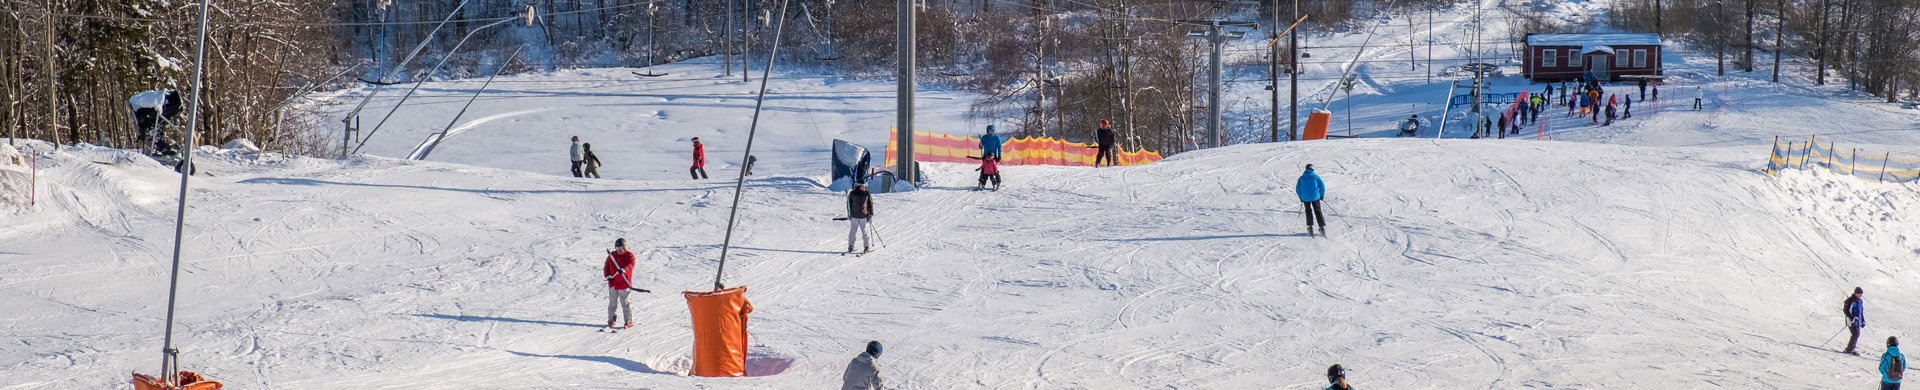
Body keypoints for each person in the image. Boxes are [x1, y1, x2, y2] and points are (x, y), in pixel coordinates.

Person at [603, 238, 638, 329]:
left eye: (621, 247)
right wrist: (607, 276)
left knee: (625, 304)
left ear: (624, 247)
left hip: (624, 284)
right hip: (613, 284)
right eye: (617, 247)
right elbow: (606, 266)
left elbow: (631, 264)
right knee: (612, 303)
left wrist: (624, 270)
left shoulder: (629, 255)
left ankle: (628, 321)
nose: (619, 249)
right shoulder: (612, 255)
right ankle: (611, 320)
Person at [1297, 164, 1327, 235]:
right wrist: (1321, 195)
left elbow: (1298, 189)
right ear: (1313, 170)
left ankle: (1310, 227)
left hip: (1305, 198)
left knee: (1308, 211)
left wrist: (1300, 197)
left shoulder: (1301, 178)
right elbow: (1322, 186)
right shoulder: (1315, 177)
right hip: (1315, 197)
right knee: (1318, 211)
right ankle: (1321, 227)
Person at [847, 183, 874, 254]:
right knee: (852, 232)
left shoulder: (867, 193)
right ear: (859, 186)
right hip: (854, 216)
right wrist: (849, 214)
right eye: (863, 186)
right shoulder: (853, 193)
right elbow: (849, 204)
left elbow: (870, 204)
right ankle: (851, 246)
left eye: (865, 186)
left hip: (864, 216)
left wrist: (871, 214)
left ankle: (866, 247)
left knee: (865, 233)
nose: (864, 187)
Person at [1847, 287, 1867, 354]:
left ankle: (1852, 348)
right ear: (1855, 293)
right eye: (1858, 294)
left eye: (1860, 294)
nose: (1859, 295)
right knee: (1855, 333)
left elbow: (1861, 312)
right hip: (1850, 320)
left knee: (1857, 334)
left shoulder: (1860, 301)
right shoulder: (1850, 300)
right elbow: (1846, 310)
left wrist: (1862, 320)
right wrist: (1851, 317)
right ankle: (1849, 349)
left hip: (1857, 321)